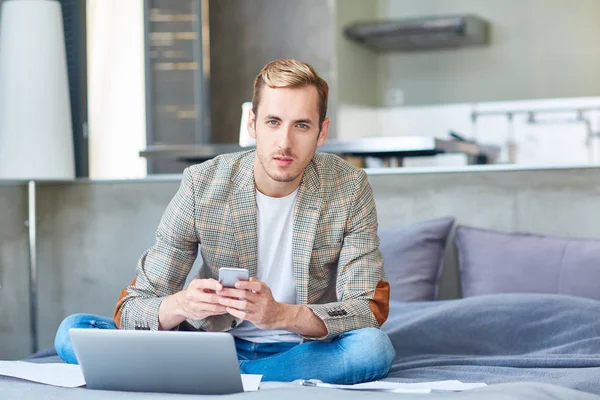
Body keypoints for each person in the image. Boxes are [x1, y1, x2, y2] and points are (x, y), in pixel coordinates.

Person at [54, 58, 395, 384]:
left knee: (372, 350)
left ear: (321, 132)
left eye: (301, 125)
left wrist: (280, 315)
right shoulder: (202, 183)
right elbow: (132, 308)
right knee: (73, 329)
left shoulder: (349, 187)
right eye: (273, 122)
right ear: (252, 123)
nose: (284, 143)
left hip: (301, 348)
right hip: (211, 342)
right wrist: (182, 304)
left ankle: (225, 376)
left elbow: (368, 308)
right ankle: (231, 372)